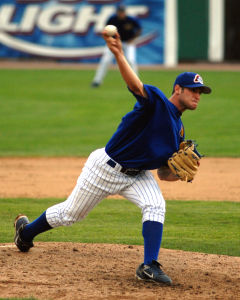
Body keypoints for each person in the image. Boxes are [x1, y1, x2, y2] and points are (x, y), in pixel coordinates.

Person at [14, 28, 211, 285]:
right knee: (70, 215)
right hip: (106, 168)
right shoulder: (157, 102)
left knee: (155, 205)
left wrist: (178, 172)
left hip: (137, 175)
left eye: (200, 92)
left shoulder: (179, 131)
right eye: (192, 90)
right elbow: (135, 85)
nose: (197, 95)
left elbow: (163, 173)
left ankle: (149, 266)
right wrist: (118, 53)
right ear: (178, 89)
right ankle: (25, 233)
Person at [91, 5, 141, 87]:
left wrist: (133, 39)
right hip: (114, 42)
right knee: (105, 60)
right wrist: (109, 39)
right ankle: (97, 81)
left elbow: (139, 29)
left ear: (125, 12)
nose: (121, 13)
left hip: (128, 43)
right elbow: (105, 30)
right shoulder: (112, 19)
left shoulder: (131, 20)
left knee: (131, 60)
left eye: (122, 12)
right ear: (117, 12)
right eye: (120, 12)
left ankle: (137, 82)